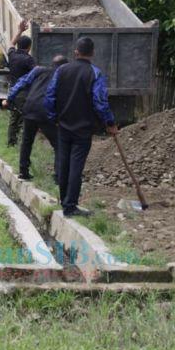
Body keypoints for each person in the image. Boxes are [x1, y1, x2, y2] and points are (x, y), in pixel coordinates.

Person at [45, 37, 118, 217]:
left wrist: (54, 117)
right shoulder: (95, 73)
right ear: (92, 53)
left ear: (76, 52)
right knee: (76, 166)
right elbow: (100, 102)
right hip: (83, 128)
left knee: (64, 163)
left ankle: (65, 201)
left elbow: (49, 97)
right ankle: (70, 206)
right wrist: (110, 123)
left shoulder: (61, 70)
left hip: (63, 126)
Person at [3, 55, 68, 180]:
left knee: (27, 141)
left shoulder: (38, 70)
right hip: (45, 111)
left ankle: (23, 172)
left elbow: (22, 82)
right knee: (58, 144)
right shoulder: (62, 77)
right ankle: (58, 176)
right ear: (64, 67)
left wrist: (9, 98)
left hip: (29, 108)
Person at [4, 20, 36, 147]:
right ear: (29, 47)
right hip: (23, 93)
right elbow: (35, 73)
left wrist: (19, 31)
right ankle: (23, 144)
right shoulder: (28, 59)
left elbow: (11, 43)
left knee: (14, 118)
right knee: (24, 119)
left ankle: (11, 143)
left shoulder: (12, 55)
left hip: (13, 90)